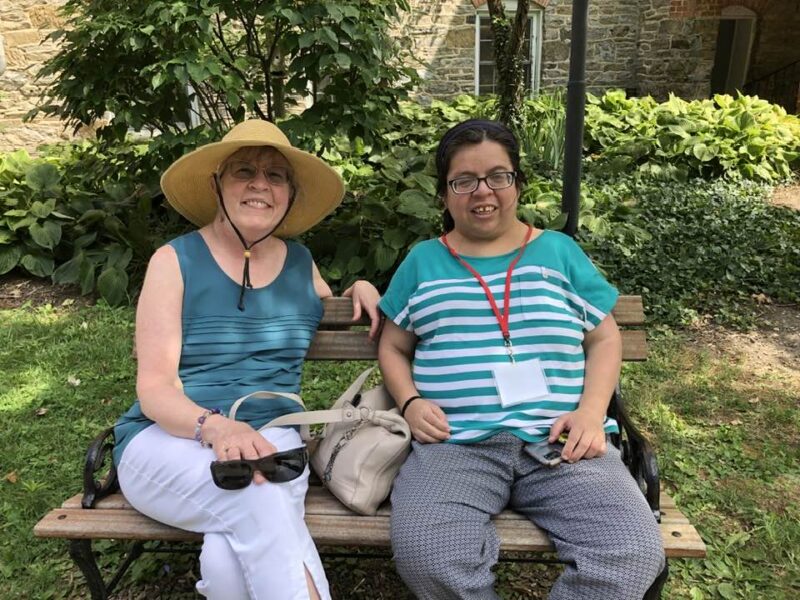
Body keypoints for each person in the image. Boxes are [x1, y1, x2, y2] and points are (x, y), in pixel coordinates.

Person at [378, 119, 665, 599]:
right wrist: (408, 402)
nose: (482, 192)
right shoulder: (422, 262)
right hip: (455, 443)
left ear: (518, 182)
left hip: (562, 442)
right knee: (428, 554)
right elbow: (392, 344)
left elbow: (605, 337)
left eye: (497, 176)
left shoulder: (559, 252)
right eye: (463, 181)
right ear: (445, 195)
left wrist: (592, 414)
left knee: (632, 551)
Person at [113, 119, 381, 600]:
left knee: (227, 561)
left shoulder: (300, 263)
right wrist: (216, 427)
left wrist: (357, 289)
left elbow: (331, 303)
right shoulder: (173, 261)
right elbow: (154, 388)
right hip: (169, 439)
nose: (261, 183)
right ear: (217, 185)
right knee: (257, 496)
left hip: (274, 435)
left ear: (289, 195)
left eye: (276, 175)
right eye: (244, 171)